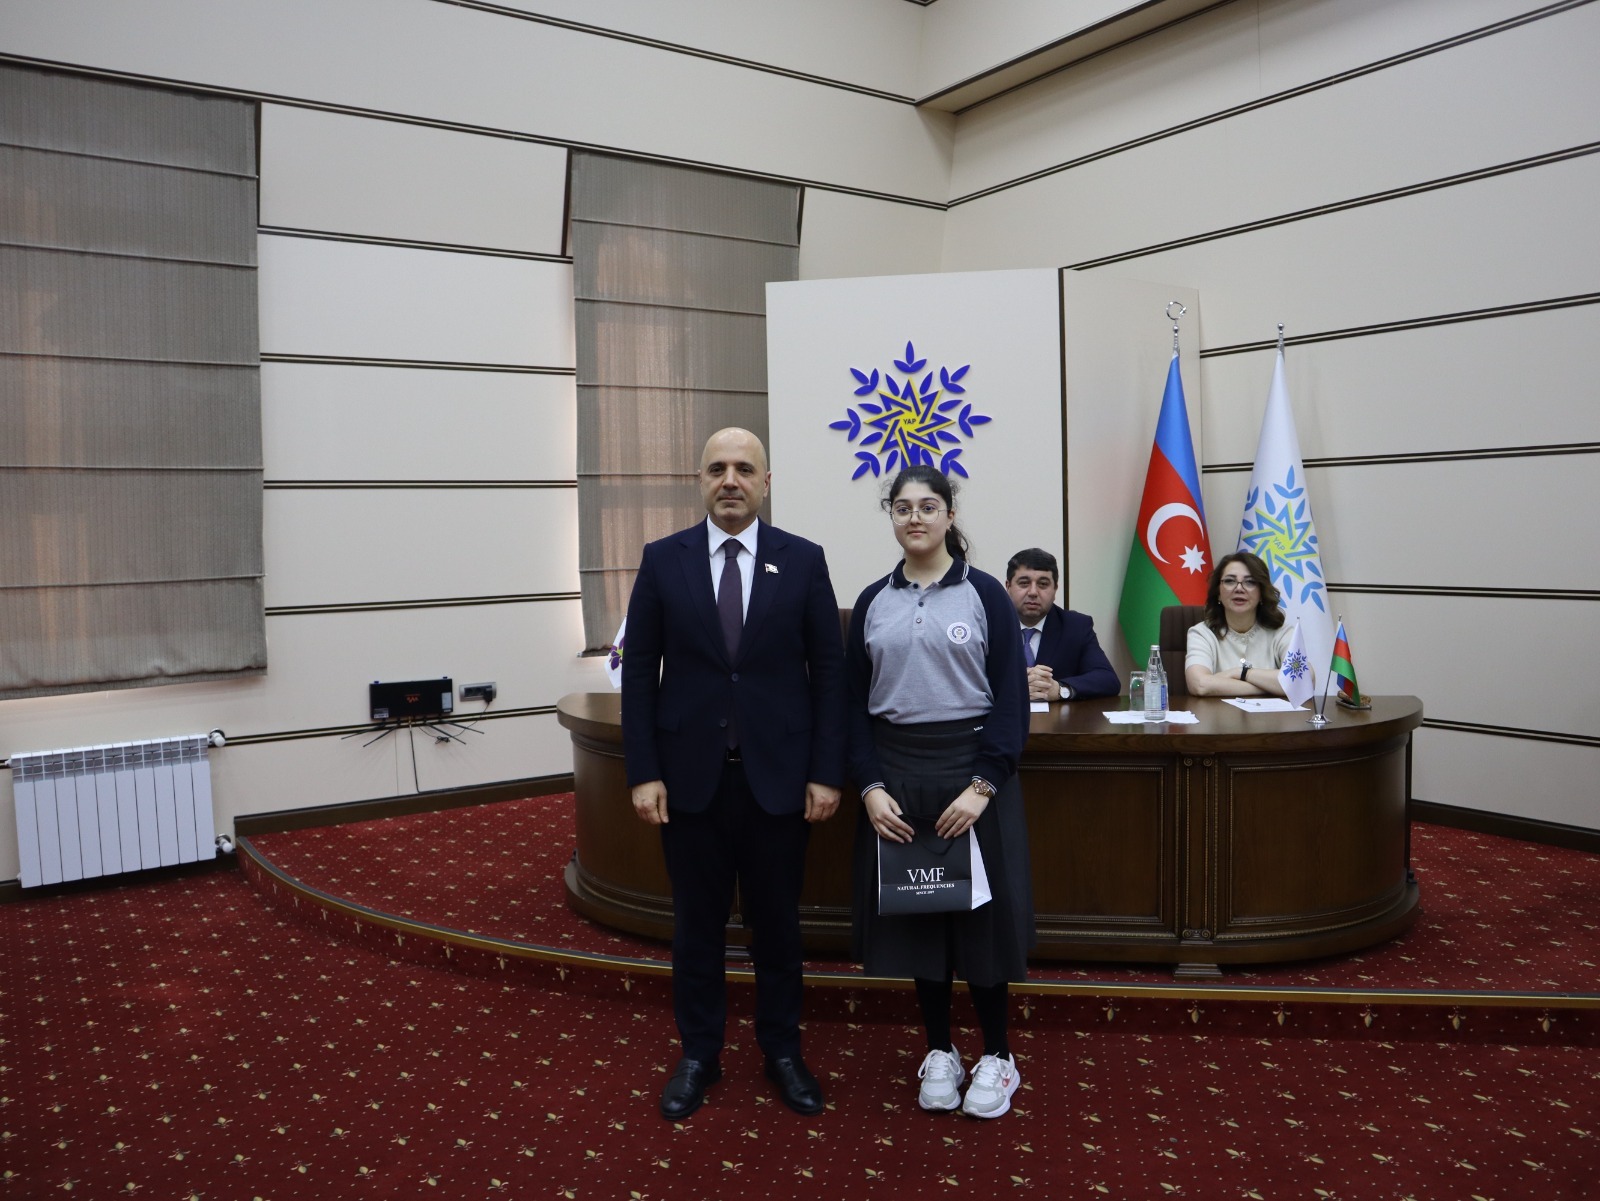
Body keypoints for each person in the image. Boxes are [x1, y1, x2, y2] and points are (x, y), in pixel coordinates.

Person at [621, 428, 845, 1121]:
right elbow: (640, 673)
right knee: (697, 928)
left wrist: (826, 771)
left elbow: (829, 674)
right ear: (699, 479)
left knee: (778, 927)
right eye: (717, 468)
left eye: (744, 468)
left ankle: (782, 1050)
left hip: (779, 781)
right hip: (690, 783)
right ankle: (700, 1053)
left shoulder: (803, 560)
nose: (730, 479)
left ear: (765, 482)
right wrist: (643, 771)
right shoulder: (664, 560)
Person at [845, 465, 1031, 1120]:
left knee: (983, 926)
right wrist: (869, 787)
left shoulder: (985, 595)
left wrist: (984, 785)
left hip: (973, 776)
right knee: (922, 917)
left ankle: (999, 1055)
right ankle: (940, 1049)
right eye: (902, 507)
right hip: (896, 780)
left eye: (928, 506)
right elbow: (851, 707)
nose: (915, 517)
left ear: (950, 515)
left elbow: (1011, 701)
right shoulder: (873, 600)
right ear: (891, 518)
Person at [1005, 548, 1119, 702]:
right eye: (1024, 583)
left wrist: (1060, 689)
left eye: (1043, 584)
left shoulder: (1075, 626)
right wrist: (1014, 685)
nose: (1033, 592)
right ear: (1008, 586)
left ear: (1055, 589)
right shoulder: (988, 625)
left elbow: (1108, 680)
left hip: (1057, 717)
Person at [1184, 551, 1293, 697]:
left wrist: (1241, 672)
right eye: (1230, 581)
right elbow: (1200, 684)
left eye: (1250, 582)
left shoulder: (1283, 632)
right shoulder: (1202, 633)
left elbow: (1300, 678)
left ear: (1261, 593)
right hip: (1218, 713)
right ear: (1218, 593)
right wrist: (1272, 687)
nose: (1239, 588)